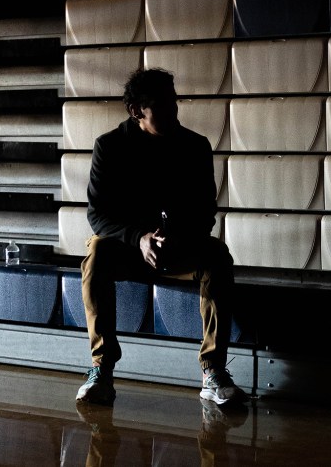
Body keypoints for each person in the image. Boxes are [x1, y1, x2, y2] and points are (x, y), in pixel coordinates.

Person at [76, 68, 243, 407]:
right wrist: (139, 238)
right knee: (96, 253)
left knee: (217, 257)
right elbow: (97, 215)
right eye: (161, 105)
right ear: (136, 110)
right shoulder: (109, 146)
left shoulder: (195, 146)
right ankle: (101, 369)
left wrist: (178, 240)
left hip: (178, 249)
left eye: (173, 103)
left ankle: (212, 371)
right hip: (129, 249)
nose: (172, 111)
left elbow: (204, 212)